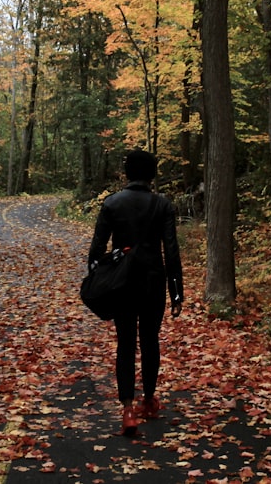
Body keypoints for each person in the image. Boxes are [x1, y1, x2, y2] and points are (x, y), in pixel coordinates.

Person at [88, 149, 184, 436]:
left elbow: (96, 251)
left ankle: (128, 409)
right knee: (150, 340)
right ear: (152, 174)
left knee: (126, 342)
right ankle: (149, 400)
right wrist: (176, 291)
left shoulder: (111, 204)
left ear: (127, 173)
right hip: (153, 281)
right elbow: (172, 252)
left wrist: (104, 272)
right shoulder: (163, 205)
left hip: (122, 282)